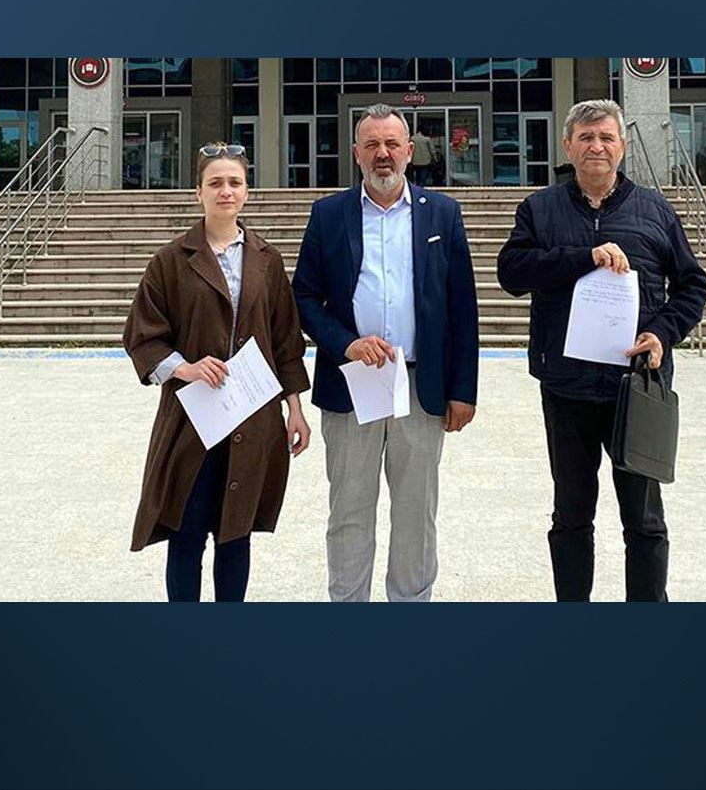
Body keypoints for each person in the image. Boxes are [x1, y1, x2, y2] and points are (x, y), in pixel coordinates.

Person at [497, 99, 706, 602]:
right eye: (586, 138)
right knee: (571, 516)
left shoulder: (654, 209)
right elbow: (512, 273)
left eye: (606, 137)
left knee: (645, 520)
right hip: (566, 388)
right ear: (567, 146)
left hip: (637, 390)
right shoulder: (540, 209)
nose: (596, 146)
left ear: (623, 146)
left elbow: (692, 285)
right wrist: (583, 257)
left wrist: (662, 333)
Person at [292, 104, 480, 602]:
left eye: (392, 144)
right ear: (356, 153)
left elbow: (463, 307)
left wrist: (463, 391)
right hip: (352, 384)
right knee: (349, 510)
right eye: (372, 144)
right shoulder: (329, 214)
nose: (383, 154)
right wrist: (345, 343)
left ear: (410, 151)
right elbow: (303, 297)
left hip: (421, 386)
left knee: (416, 512)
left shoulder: (442, 213)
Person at [123, 142, 312, 602]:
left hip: (253, 414)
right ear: (198, 193)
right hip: (193, 417)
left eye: (234, 183)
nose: (225, 191)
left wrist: (295, 409)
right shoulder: (170, 260)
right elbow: (142, 336)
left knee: (235, 534)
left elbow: (286, 340)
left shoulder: (267, 260)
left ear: (246, 191)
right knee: (186, 532)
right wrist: (185, 368)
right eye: (215, 183)